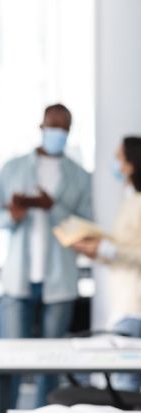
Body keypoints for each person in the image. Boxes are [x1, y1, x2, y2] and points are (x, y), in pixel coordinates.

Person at [0, 103, 93, 407]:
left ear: (69, 131)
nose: (56, 132)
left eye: (63, 128)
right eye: (52, 126)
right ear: (42, 126)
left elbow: (87, 226)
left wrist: (54, 208)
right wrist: (14, 215)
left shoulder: (80, 177)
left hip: (59, 280)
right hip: (18, 277)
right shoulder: (12, 168)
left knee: (52, 362)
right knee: (9, 362)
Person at [72, 136, 141, 392]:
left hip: (135, 306)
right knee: (126, 384)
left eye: (118, 158)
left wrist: (106, 248)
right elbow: (126, 246)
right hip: (124, 301)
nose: (114, 163)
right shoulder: (130, 200)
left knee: (127, 385)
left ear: (131, 164)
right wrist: (98, 251)